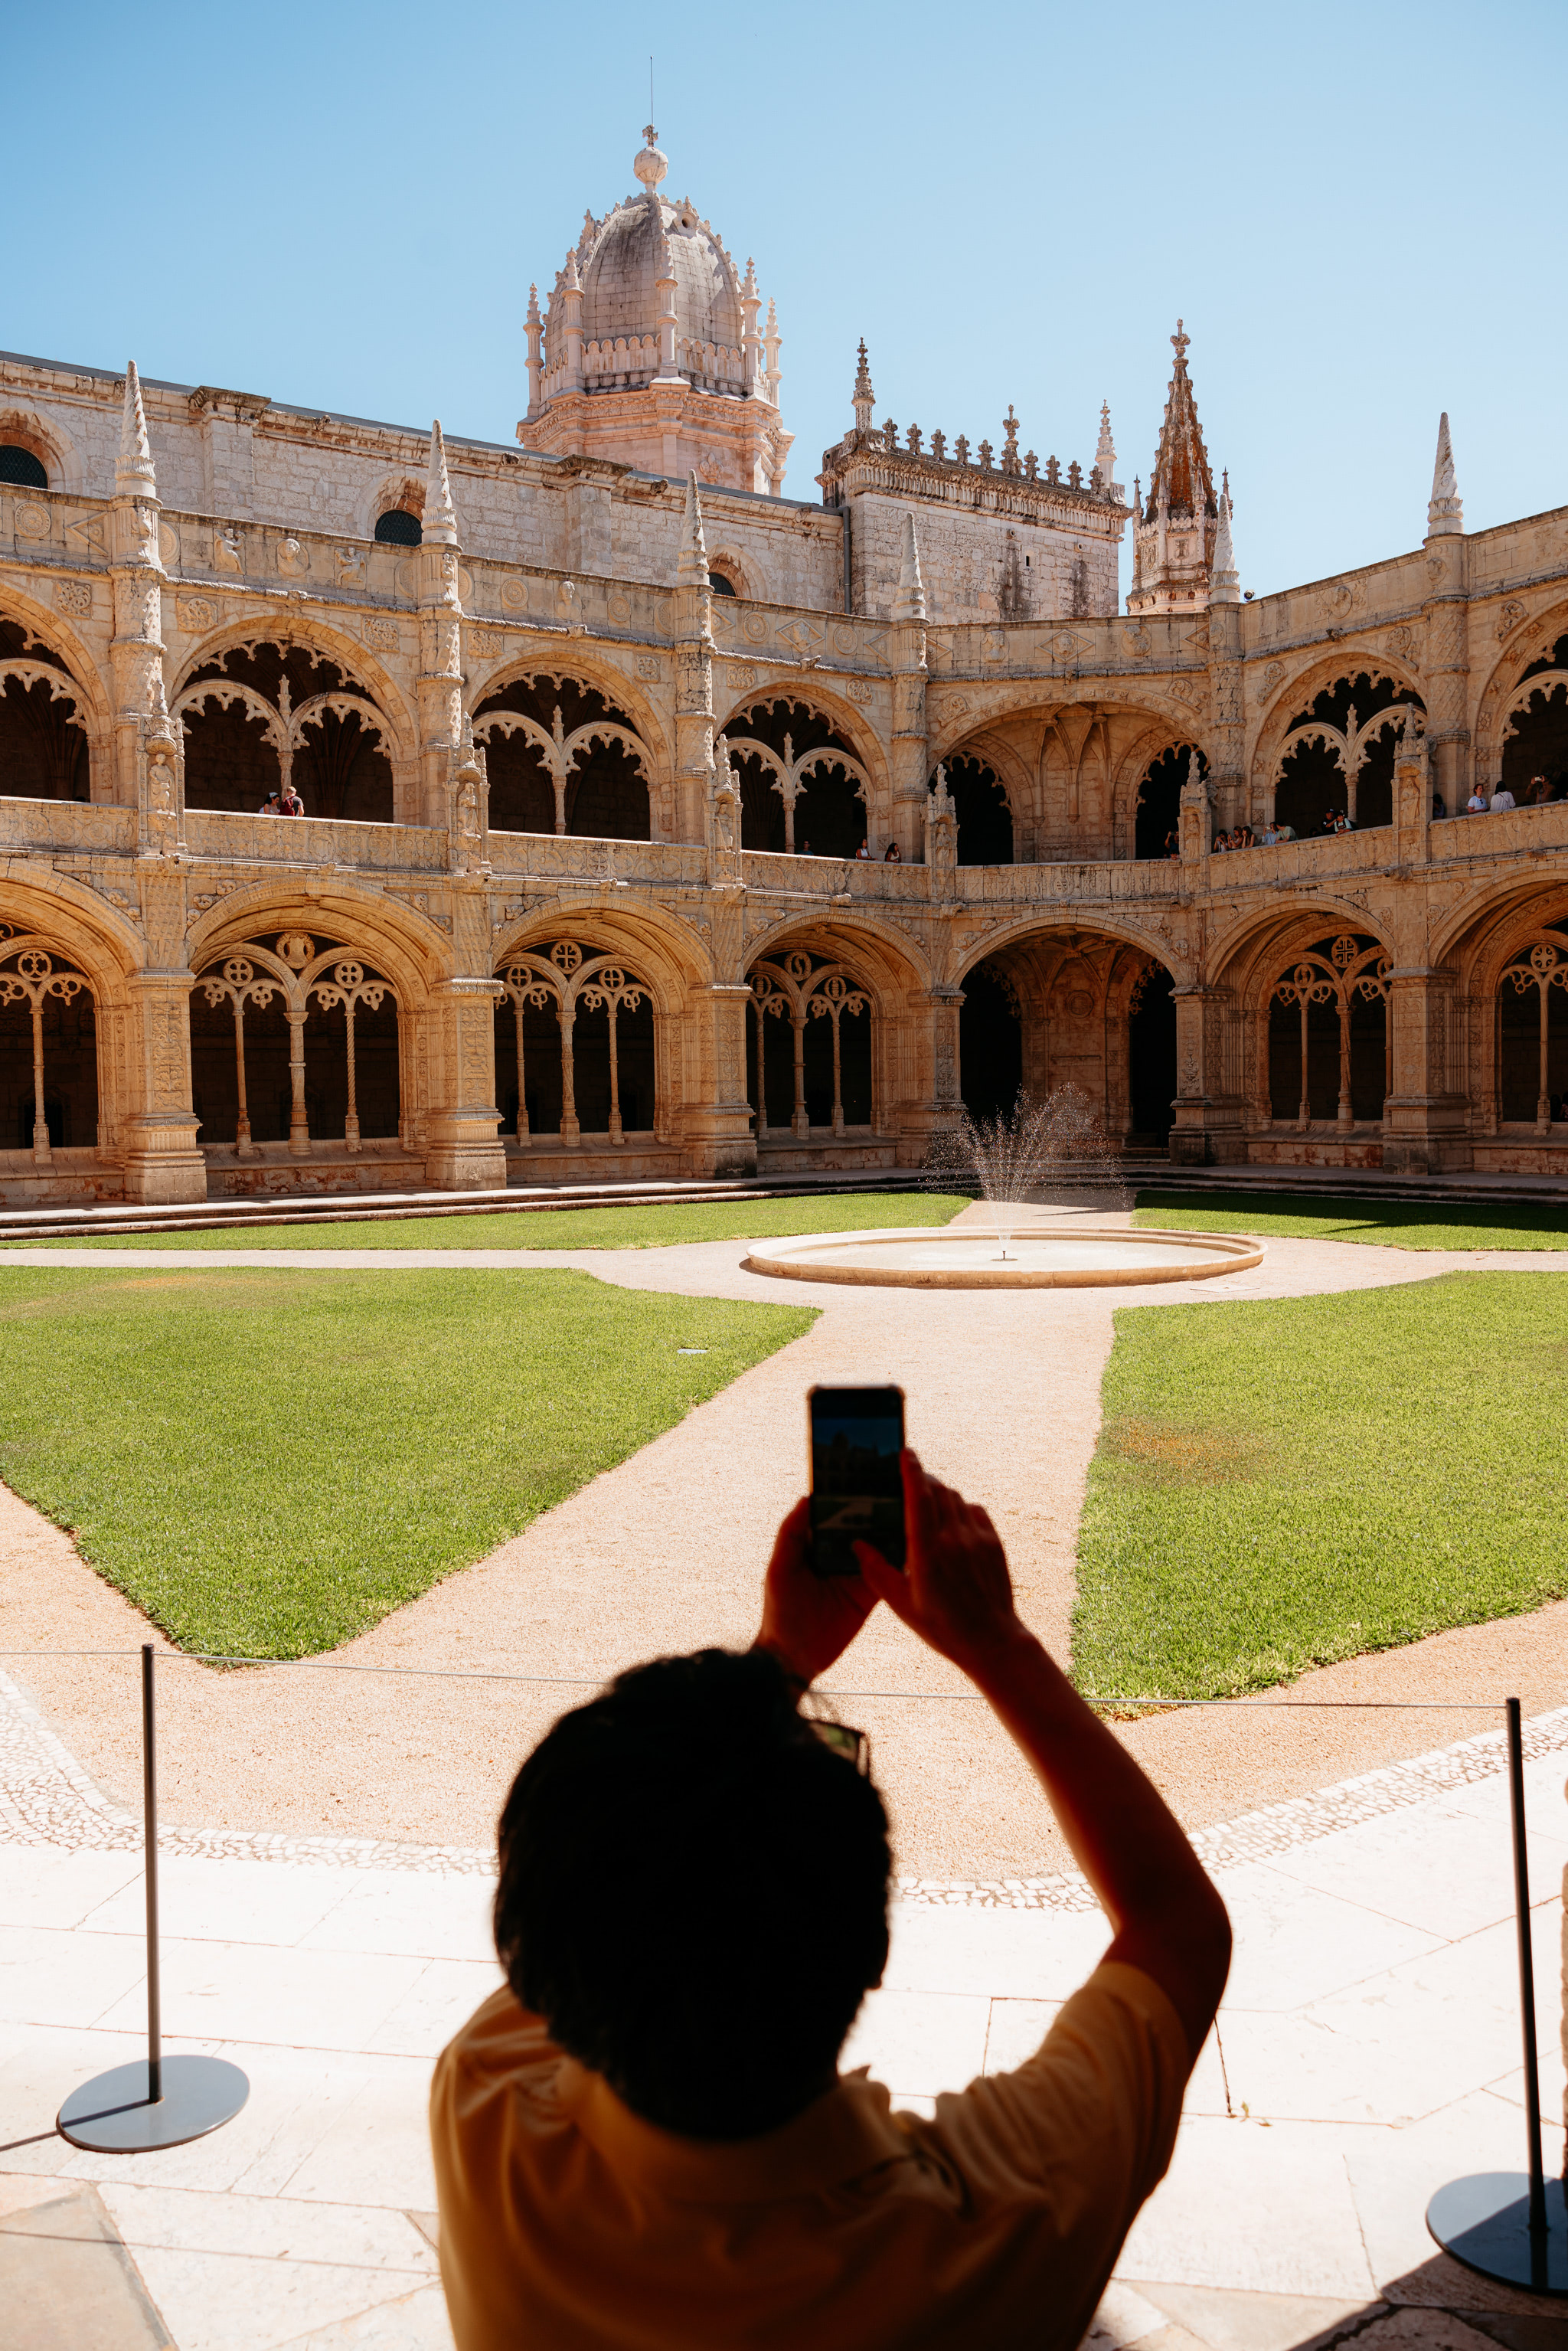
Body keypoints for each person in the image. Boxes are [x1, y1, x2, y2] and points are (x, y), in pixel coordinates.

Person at [430, 1453, 1231, 2351]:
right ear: (876, 1950)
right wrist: (994, 1641)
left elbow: (624, 1892)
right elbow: (1177, 1924)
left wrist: (777, 1662)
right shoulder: (991, 2222)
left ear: (527, 1945)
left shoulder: (486, 2109)